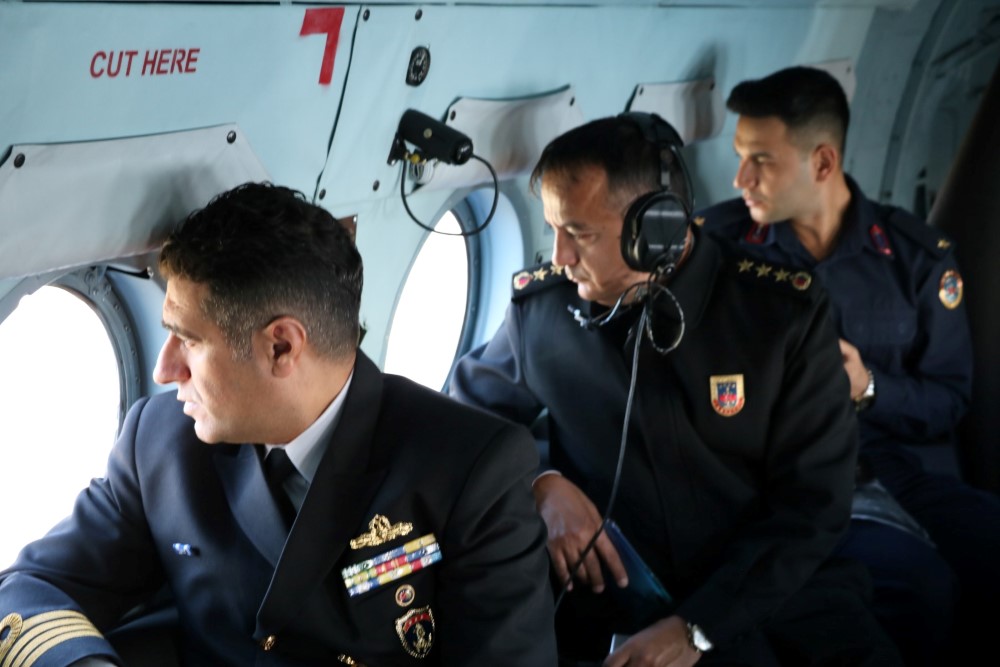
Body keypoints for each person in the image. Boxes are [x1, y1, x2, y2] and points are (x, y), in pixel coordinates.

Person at [0, 182, 557, 666]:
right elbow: (29, 589)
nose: (163, 371)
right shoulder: (161, 443)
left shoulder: (468, 469)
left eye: (188, 340)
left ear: (281, 346)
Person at [450, 114, 900, 666]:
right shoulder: (542, 315)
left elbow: (814, 507)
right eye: (553, 230)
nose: (560, 258)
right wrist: (539, 485)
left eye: (580, 234)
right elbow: (462, 420)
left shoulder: (780, 318)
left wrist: (695, 630)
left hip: (769, 595)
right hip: (614, 602)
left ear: (657, 229)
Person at [698, 65, 1000, 665]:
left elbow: (948, 399)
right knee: (920, 590)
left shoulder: (916, 260)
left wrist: (869, 388)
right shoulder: (717, 248)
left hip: (895, 469)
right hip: (780, 472)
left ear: (822, 163)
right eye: (739, 157)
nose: (740, 179)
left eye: (761, 160)